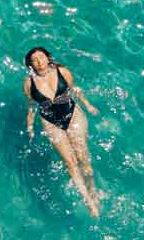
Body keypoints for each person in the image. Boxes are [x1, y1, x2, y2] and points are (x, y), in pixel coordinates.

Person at [23, 46, 101, 217]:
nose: (39, 61)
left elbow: (74, 89)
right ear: (31, 65)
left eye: (41, 57)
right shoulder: (29, 83)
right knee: (70, 163)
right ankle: (89, 203)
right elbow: (31, 105)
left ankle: (93, 190)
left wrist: (88, 105)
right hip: (50, 122)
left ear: (48, 58)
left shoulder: (62, 71)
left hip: (72, 114)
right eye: (34, 60)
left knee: (84, 161)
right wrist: (30, 126)